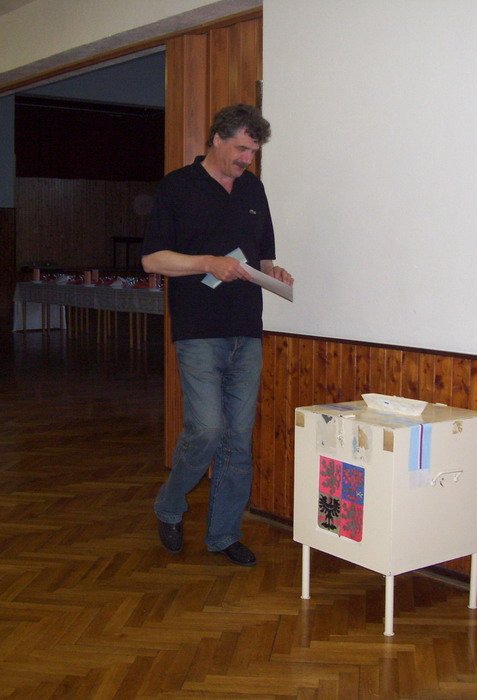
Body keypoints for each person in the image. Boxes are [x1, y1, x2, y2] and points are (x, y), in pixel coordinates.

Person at [141, 104, 293, 567]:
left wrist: (274, 272)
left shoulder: (253, 189)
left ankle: (224, 534)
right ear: (217, 139)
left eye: (254, 151)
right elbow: (152, 260)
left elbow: (262, 257)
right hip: (198, 330)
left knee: (238, 439)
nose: (247, 159)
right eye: (242, 148)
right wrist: (207, 263)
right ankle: (170, 505)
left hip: (246, 328)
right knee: (206, 430)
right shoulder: (177, 187)